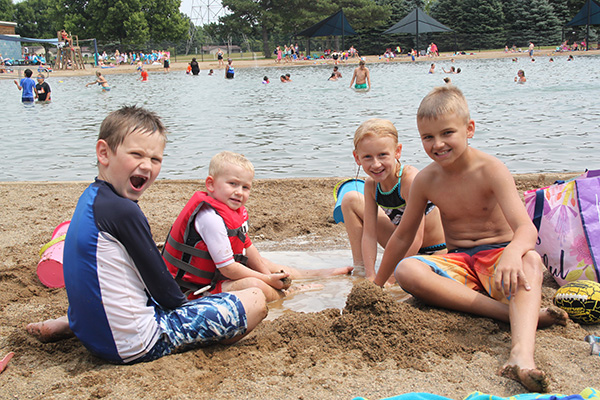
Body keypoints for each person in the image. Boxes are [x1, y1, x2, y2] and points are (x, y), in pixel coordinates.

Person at [25, 107, 268, 364]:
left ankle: (69, 324)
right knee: (254, 300)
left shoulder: (91, 197)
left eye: (155, 159)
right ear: (104, 153)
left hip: (92, 332)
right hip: (134, 344)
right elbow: (167, 295)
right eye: (136, 154)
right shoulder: (123, 211)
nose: (147, 166)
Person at [372, 86, 568, 392]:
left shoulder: (490, 169)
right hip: (460, 261)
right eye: (427, 137)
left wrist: (514, 252)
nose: (438, 144)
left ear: (469, 129)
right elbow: (403, 236)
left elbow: (526, 230)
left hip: (499, 261)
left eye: (447, 133)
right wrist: (376, 286)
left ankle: (521, 355)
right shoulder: (426, 179)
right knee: (408, 269)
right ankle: (512, 314)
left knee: (530, 259)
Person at [163, 151, 353, 302]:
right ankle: (288, 294)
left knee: (268, 265)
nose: (239, 192)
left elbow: (248, 248)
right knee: (255, 284)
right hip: (194, 290)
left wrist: (269, 274)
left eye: (245, 187)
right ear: (211, 185)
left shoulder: (234, 211)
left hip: (217, 276)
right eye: (232, 184)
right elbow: (229, 269)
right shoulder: (209, 218)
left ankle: (317, 274)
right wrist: (266, 280)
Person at [341, 119, 446, 282]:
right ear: (357, 157)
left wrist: (388, 277)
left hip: (434, 250)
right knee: (350, 200)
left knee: (408, 276)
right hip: (401, 242)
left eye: (382, 155)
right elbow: (369, 234)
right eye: (367, 157)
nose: (376, 164)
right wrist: (371, 275)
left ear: (397, 151)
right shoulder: (371, 185)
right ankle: (361, 269)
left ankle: (396, 269)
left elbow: (416, 238)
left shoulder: (409, 180)